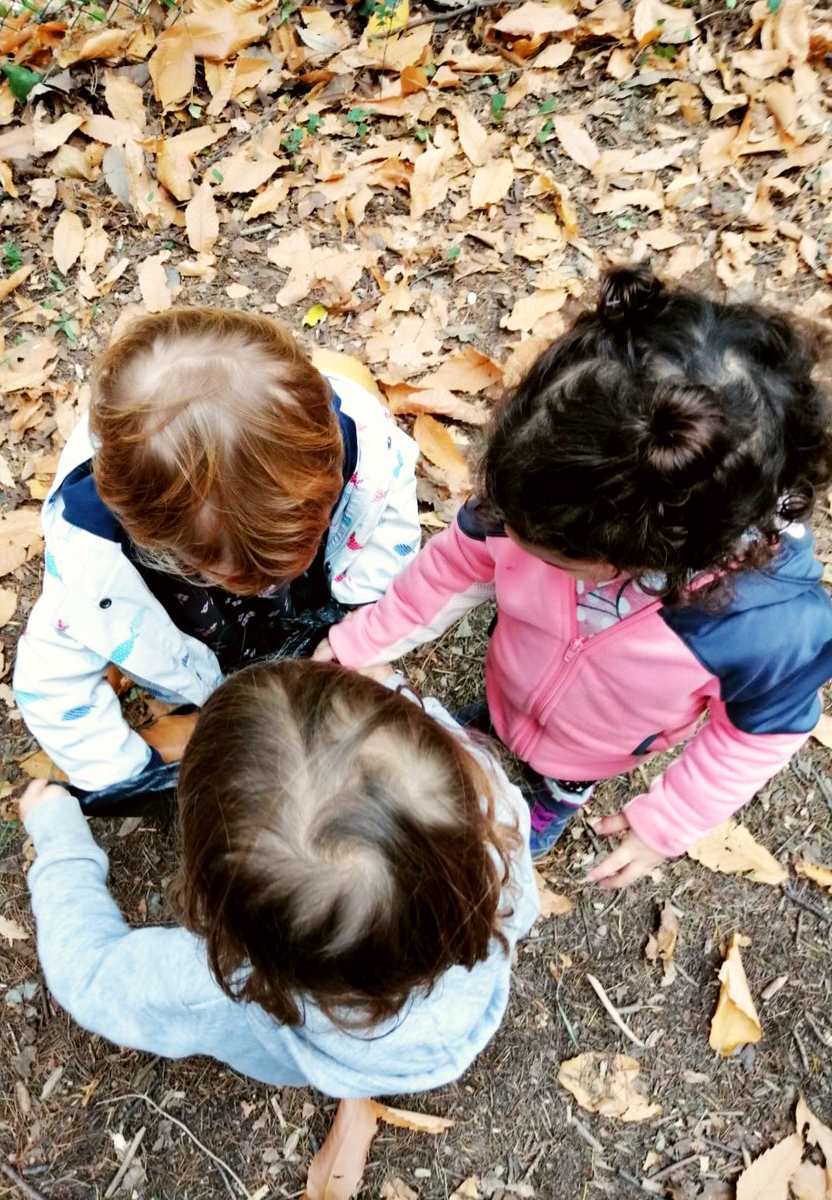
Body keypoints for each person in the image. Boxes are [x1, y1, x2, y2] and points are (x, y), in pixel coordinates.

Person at [316, 265, 832, 888]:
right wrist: (365, 640)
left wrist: (666, 822)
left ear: (642, 555)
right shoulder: (539, 490)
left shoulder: (767, 628)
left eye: (547, 555)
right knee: (490, 721)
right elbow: (454, 565)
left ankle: (555, 796)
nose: (505, 534)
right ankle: (496, 725)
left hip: (599, 745)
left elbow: (758, 735)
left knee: (564, 775)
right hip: (513, 681)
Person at [18, 660, 538, 1095]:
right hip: (460, 1019)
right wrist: (394, 689)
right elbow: (436, 763)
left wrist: (60, 840)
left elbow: (90, 976)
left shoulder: (217, 985)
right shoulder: (499, 831)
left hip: (335, 1057)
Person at [13, 308, 420, 809]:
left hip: (308, 604)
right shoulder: (93, 570)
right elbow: (51, 687)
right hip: (196, 638)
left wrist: (363, 615)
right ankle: (184, 698)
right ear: (151, 537)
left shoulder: (363, 444)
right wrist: (133, 775)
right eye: (241, 573)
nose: (271, 581)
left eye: (306, 539)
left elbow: (388, 512)